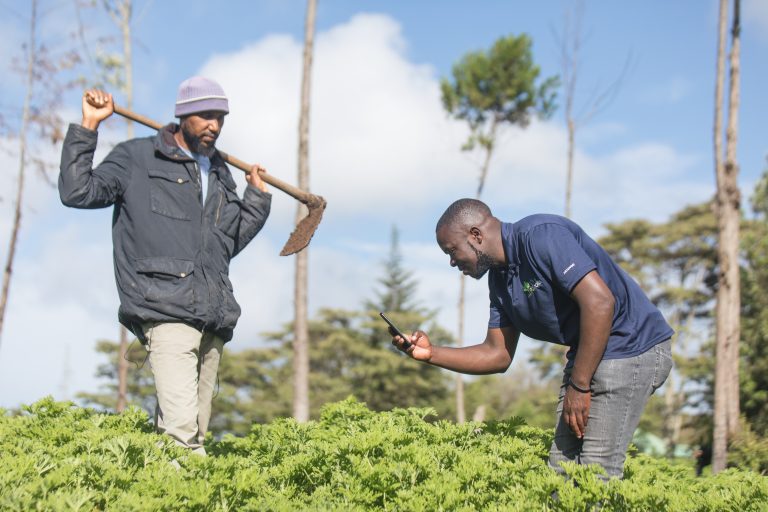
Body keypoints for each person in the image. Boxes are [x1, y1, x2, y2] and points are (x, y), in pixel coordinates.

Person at [59, 76, 272, 455]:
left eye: (221, 117)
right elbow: (78, 192)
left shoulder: (221, 174)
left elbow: (224, 247)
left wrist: (255, 199)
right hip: (164, 310)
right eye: (206, 116)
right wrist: (88, 125)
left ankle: (162, 493)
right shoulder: (136, 158)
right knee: (183, 436)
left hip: (213, 318)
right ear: (183, 115)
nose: (215, 126)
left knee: (193, 433)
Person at [390, 198, 673, 480]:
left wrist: (579, 384)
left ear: (475, 235)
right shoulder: (499, 281)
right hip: (589, 356)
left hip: (632, 346)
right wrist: (431, 354)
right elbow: (497, 354)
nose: (452, 262)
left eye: (452, 250)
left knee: (596, 472)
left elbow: (599, 302)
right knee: (560, 471)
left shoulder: (542, 235)